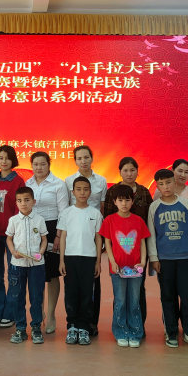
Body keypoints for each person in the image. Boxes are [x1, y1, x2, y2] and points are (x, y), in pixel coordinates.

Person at [147, 169, 188, 349]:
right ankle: (171, 330)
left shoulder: (185, 204)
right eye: (161, 184)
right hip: (164, 260)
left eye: (168, 182)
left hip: (185, 257)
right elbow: (151, 234)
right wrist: (154, 258)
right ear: (157, 187)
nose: (166, 187)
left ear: (175, 182)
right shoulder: (154, 207)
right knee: (168, 296)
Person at [104, 157, 153, 333]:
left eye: (132, 170)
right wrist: (111, 257)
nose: (129, 173)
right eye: (125, 170)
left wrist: (145, 257)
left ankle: (138, 327)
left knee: (137, 293)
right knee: (120, 295)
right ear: (120, 172)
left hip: (138, 251)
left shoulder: (144, 192)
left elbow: (149, 219)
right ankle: (121, 328)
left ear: (137, 171)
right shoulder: (112, 191)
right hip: (118, 253)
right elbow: (108, 220)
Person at [99, 184, 150, 348]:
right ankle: (120, 332)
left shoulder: (138, 220)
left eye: (127, 200)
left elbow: (143, 243)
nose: (124, 204)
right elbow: (107, 243)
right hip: (117, 269)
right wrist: (112, 262)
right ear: (114, 202)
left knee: (134, 301)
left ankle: (135, 332)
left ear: (132, 201)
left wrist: (143, 262)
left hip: (136, 269)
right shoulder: (109, 220)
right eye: (120, 200)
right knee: (120, 301)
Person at [64, 145, 107, 336]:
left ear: (92, 158)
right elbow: (67, 208)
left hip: (93, 231)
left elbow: (102, 208)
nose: (83, 161)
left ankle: (91, 322)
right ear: (75, 161)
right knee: (73, 286)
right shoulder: (68, 181)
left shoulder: (101, 180)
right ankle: (74, 323)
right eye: (79, 158)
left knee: (92, 284)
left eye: (86, 157)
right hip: (74, 237)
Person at [25, 151, 69, 334]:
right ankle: (39, 310)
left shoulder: (58, 184)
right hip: (32, 229)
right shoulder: (27, 184)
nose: (39, 167)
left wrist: (58, 236)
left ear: (49, 164)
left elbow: (64, 212)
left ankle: (51, 314)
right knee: (36, 272)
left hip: (52, 229)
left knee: (52, 274)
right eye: (35, 164)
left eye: (42, 164)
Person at [58, 176, 103, 346]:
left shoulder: (95, 213)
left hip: (89, 259)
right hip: (70, 258)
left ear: (90, 192)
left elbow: (98, 238)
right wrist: (62, 261)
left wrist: (98, 261)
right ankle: (72, 326)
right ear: (73, 192)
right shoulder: (67, 213)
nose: (82, 192)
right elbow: (63, 237)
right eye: (78, 189)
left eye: (85, 189)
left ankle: (84, 327)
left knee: (87, 294)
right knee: (71, 293)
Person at [0, 145, 25, 329]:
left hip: (11, 237)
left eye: (7, 158)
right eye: (0, 158)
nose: (4, 161)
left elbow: (19, 209)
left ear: (13, 160)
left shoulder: (18, 182)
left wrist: (14, 233)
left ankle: (10, 313)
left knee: (13, 275)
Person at [6, 187, 48, 344]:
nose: (23, 203)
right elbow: (9, 238)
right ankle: (20, 328)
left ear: (34, 201)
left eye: (27, 200)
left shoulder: (39, 220)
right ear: (16, 203)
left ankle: (36, 328)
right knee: (17, 297)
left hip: (36, 265)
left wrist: (40, 254)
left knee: (36, 297)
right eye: (19, 200)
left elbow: (44, 239)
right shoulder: (13, 220)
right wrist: (12, 251)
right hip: (17, 264)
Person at [153, 159, 188, 238]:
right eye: (180, 171)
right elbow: (155, 216)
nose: (183, 175)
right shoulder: (161, 190)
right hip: (165, 236)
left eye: (186, 172)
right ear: (172, 171)